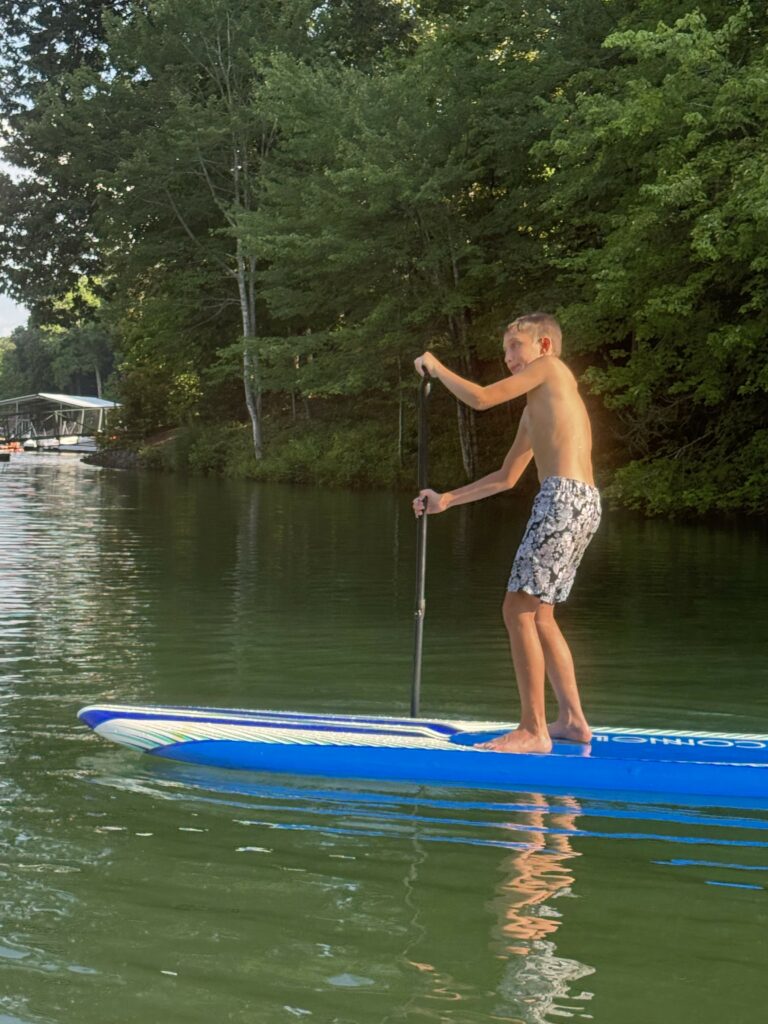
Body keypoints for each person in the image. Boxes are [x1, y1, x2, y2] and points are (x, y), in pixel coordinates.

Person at [413, 313, 600, 754]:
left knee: (517, 608)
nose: (508, 357)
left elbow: (479, 399)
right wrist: (446, 500)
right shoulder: (537, 410)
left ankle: (533, 731)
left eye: (516, 346)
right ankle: (573, 722)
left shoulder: (552, 371)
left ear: (544, 347)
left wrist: (437, 369)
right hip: (581, 503)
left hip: (563, 500)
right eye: (505, 350)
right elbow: (506, 477)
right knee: (540, 613)